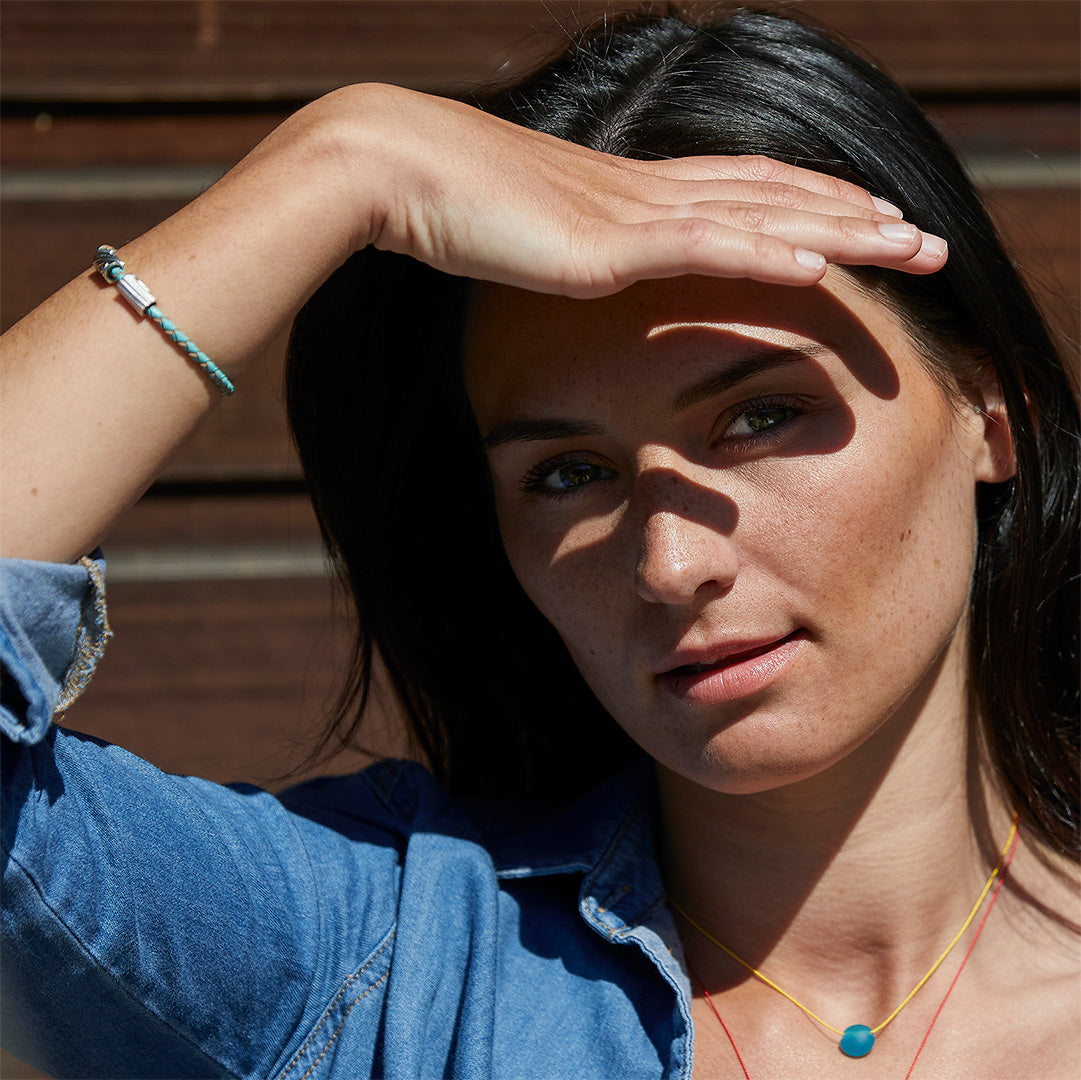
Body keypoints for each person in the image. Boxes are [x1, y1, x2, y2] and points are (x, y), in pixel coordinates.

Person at [1, 6, 1076, 1079]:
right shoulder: (376, 964)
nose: (669, 564)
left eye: (760, 416)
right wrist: (344, 159)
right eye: (568, 475)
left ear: (995, 413)